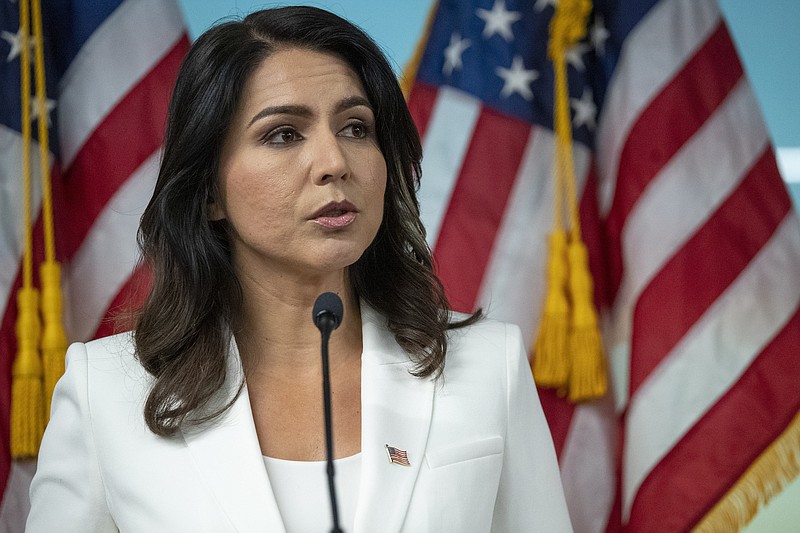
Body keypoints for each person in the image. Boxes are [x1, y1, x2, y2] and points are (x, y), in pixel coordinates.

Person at [26, 6, 573, 532]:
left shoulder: (488, 368)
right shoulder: (106, 395)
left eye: (356, 128)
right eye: (283, 134)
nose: (335, 163)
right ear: (210, 189)